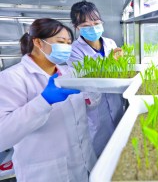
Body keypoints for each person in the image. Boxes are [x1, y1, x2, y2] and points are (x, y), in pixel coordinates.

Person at [0, 18, 97, 182]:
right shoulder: (11, 78)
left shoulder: (68, 72)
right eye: (61, 42)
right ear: (38, 42)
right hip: (47, 172)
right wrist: (43, 102)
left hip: (84, 163)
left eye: (68, 43)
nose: (66, 47)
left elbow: (87, 107)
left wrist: (91, 95)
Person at [67, 0, 124, 157]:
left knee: (120, 143)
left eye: (96, 22)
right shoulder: (73, 51)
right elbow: (85, 77)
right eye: (85, 25)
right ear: (76, 27)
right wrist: (110, 62)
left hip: (115, 101)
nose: (92, 28)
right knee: (100, 147)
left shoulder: (110, 43)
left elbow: (117, 71)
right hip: (94, 106)